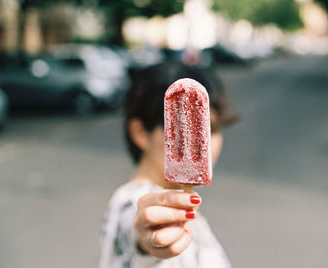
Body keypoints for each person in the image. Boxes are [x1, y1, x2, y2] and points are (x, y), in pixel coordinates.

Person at [98, 62, 237, 268]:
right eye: (183, 132)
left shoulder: (180, 206)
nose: (205, 142)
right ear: (140, 133)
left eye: (213, 129)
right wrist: (147, 241)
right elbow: (138, 230)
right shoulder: (131, 202)